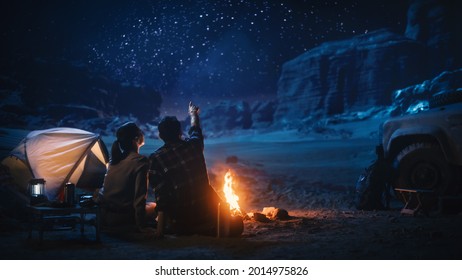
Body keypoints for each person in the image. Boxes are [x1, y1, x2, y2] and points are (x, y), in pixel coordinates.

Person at [149, 102, 243, 237]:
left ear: (161, 136)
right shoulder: (194, 146)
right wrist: (193, 114)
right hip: (209, 214)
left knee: (150, 210)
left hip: (181, 221)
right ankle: (207, 227)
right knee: (236, 223)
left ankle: (189, 228)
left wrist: (160, 231)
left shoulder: (156, 158)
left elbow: (162, 197)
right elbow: (195, 129)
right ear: (180, 132)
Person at [98, 122, 155, 231]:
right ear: (137, 138)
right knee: (154, 206)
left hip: (105, 215)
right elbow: (140, 198)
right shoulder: (140, 162)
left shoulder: (114, 160)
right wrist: (141, 225)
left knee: (149, 205)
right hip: (122, 217)